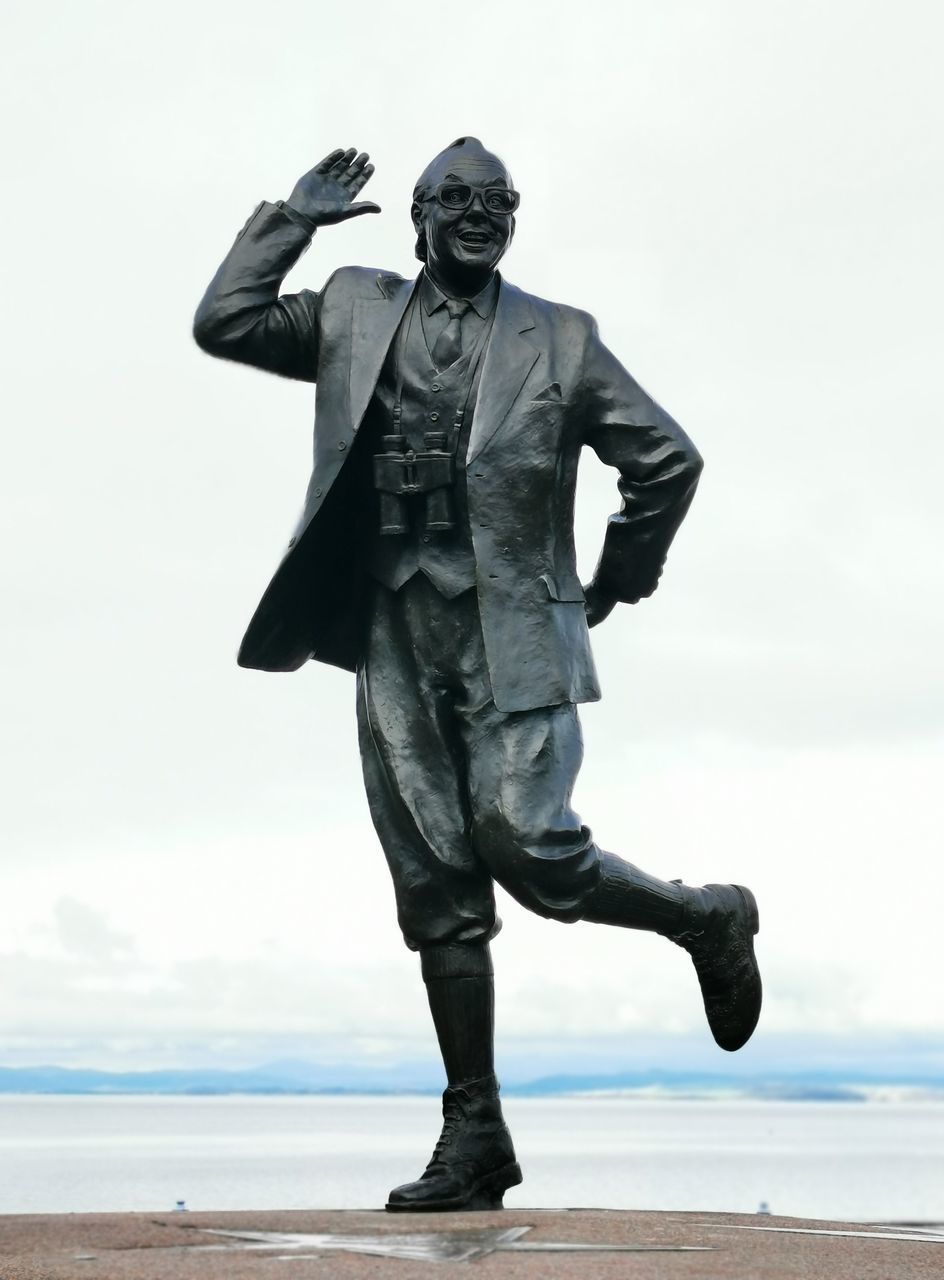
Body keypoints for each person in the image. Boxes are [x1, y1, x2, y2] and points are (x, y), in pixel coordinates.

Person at [194, 137, 762, 1213]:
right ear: (416, 215)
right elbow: (224, 320)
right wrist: (293, 220)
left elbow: (666, 458)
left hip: (514, 632)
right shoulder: (355, 306)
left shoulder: (565, 338)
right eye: (454, 197)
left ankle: (704, 916)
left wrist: (613, 580)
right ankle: (476, 1131)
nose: (476, 212)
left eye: (496, 200)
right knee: (435, 885)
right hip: (392, 624)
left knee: (525, 842)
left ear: (514, 216)